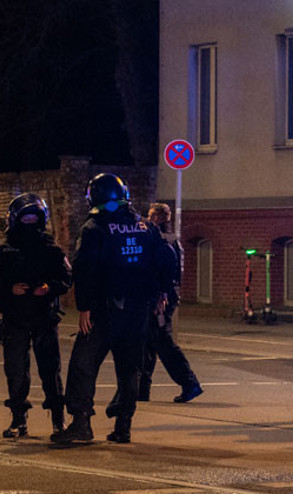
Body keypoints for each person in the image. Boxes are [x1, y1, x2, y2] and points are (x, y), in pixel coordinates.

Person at [52, 173, 173, 444]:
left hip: (103, 310)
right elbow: (167, 259)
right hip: (138, 311)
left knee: (83, 365)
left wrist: (84, 307)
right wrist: (162, 292)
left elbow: (84, 269)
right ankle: (123, 426)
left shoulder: (95, 228)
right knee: (130, 368)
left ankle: (81, 424)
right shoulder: (146, 227)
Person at [0, 194, 71, 438]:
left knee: (50, 371)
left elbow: (66, 279)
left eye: (34, 218)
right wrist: (10, 289)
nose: (30, 223)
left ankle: (58, 421)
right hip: (14, 319)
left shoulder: (50, 249)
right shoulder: (5, 251)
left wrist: (49, 288)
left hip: (43, 317)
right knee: (16, 371)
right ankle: (19, 420)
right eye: (25, 218)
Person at [138, 203, 203, 404]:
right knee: (148, 342)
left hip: (160, 297)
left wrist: (161, 293)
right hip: (163, 295)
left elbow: (164, 271)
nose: (150, 220)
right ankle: (142, 389)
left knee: (162, 341)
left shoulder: (162, 240)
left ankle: (189, 382)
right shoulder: (170, 239)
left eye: (153, 216)